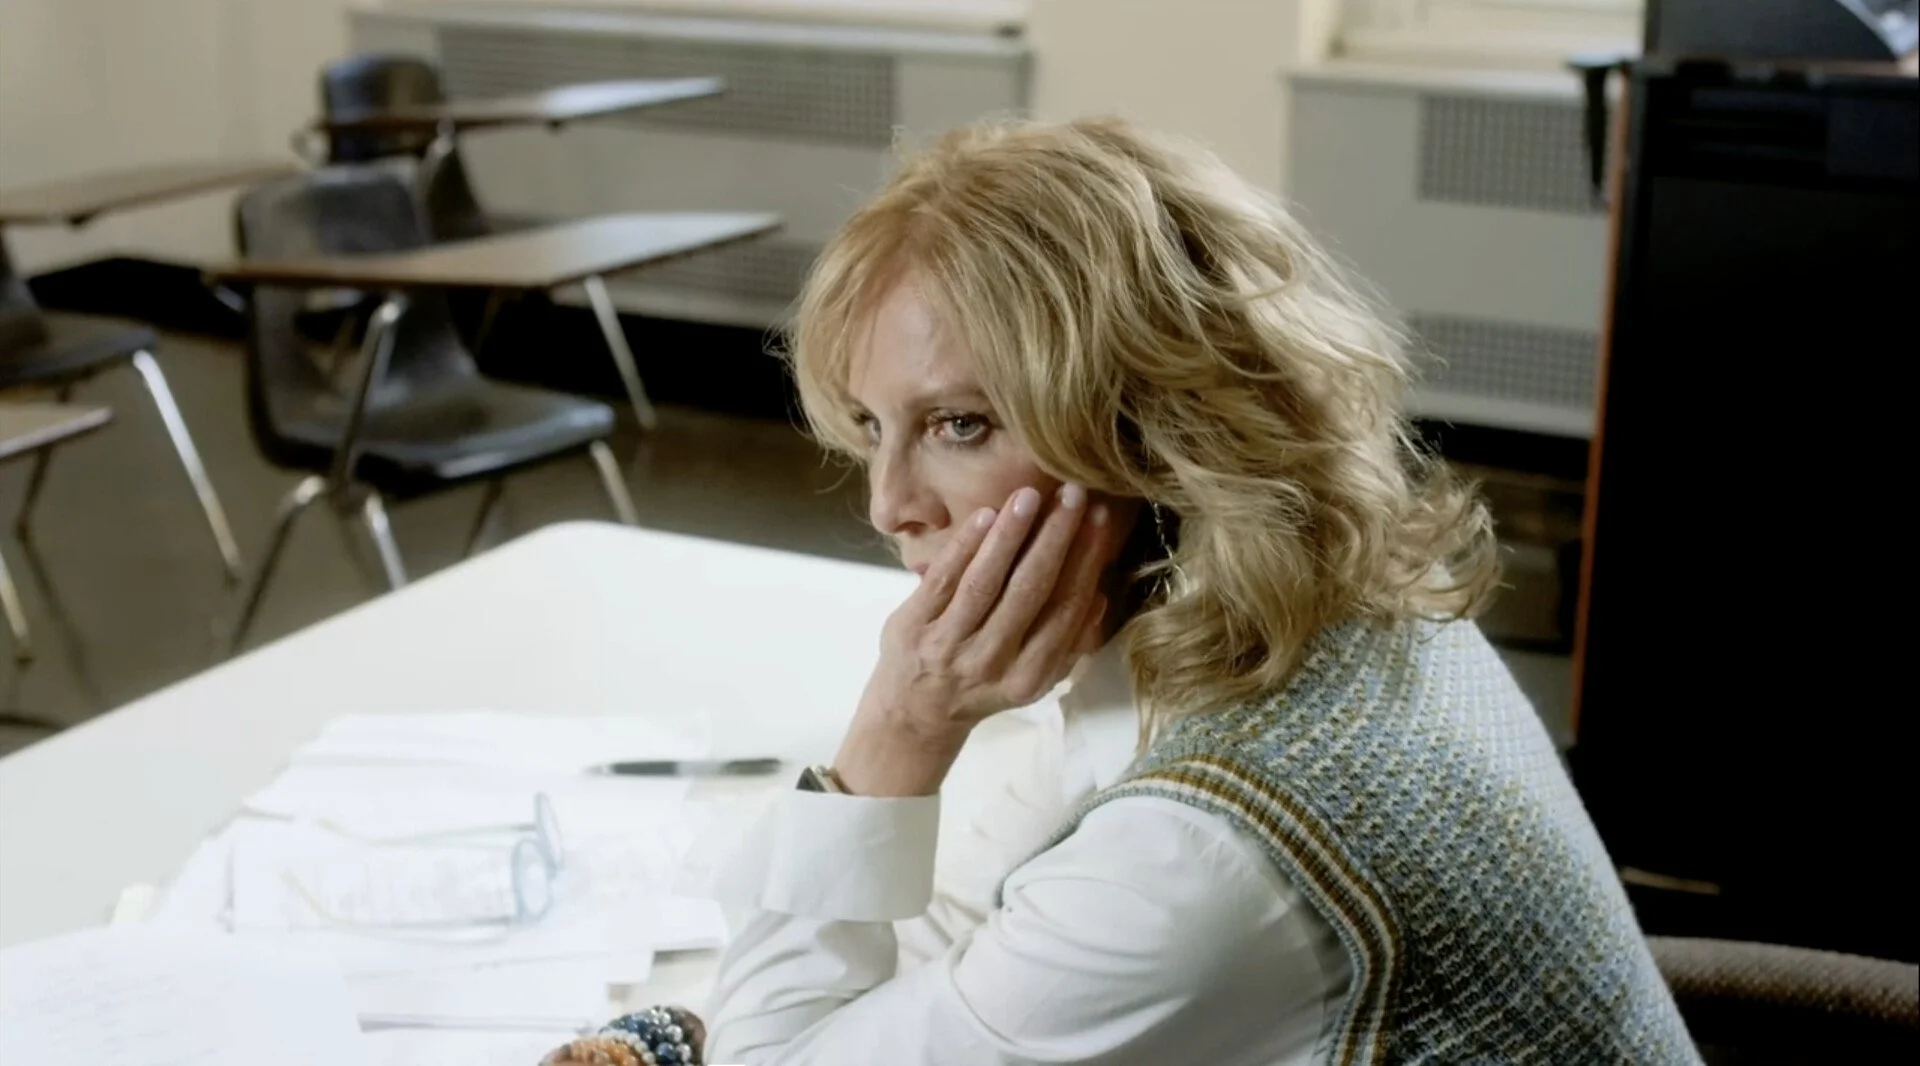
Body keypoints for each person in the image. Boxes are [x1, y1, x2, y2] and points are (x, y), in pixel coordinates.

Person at [548, 116, 1698, 1065]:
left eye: (959, 424)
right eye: (872, 428)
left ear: (1156, 427)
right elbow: (989, 915)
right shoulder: (1318, 605)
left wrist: (898, 729)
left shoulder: (1196, 856)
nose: (889, 504)